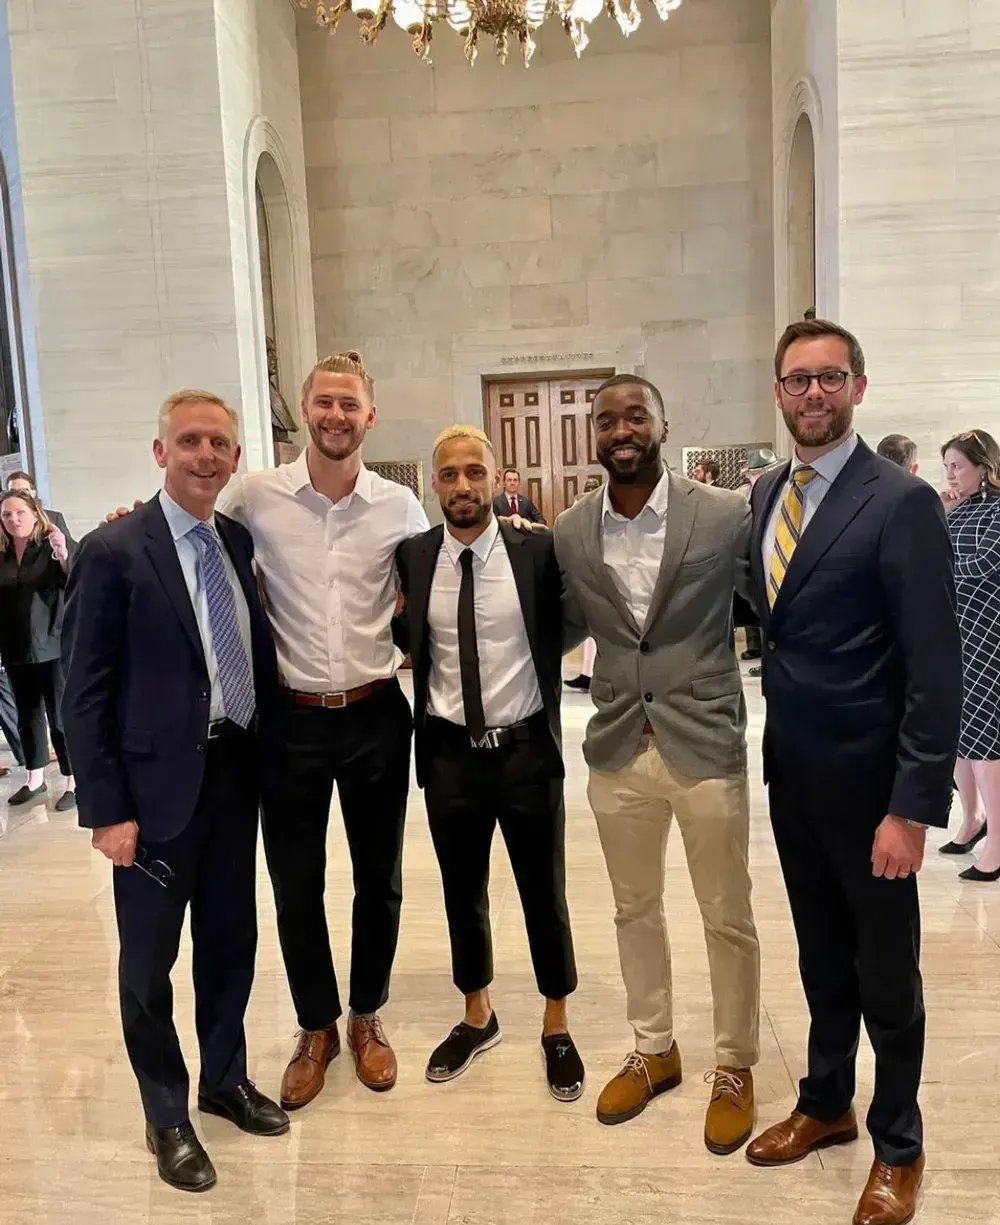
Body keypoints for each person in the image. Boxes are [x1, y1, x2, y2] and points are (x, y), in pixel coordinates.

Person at [105, 352, 429, 1109]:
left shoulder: (399, 506)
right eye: (324, 401)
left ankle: (366, 1015)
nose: (336, 414)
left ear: (370, 416)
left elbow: (429, 594)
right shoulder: (255, 496)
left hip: (378, 712)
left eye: (350, 403)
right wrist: (129, 518)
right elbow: (188, 528)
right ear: (304, 411)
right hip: (291, 722)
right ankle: (316, 1024)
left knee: (378, 879)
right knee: (296, 882)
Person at [744, 318, 961, 1225]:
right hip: (793, 784)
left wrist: (911, 807)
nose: (814, 394)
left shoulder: (899, 499)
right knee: (821, 960)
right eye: (798, 380)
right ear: (781, 392)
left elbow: (934, 664)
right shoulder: (764, 494)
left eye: (831, 378)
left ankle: (898, 1143)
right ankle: (827, 1100)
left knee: (887, 976)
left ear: (859, 389)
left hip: (874, 796)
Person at [62, 391, 288, 1194]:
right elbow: (80, 690)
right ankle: (166, 1112)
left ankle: (222, 1077)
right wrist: (106, 808)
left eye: (219, 444)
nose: (205, 455)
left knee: (231, 941)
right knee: (148, 964)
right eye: (189, 441)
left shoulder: (235, 539)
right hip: (152, 795)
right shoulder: (114, 549)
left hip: (233, 778)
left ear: (233, 459)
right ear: (161, 454)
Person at [554, 374, 761, 1156]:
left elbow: (771, 603)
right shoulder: (573, 527)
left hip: (704, 741)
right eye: (606, 419)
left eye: (635, 414)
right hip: (616, 746)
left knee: (725, 914)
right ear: (595, 436)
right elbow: (563, 621)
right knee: (633, 909)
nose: (621, 428)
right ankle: (654, 1047)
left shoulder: (724, 515)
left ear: (664, 425)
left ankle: (735, 1062)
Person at [395, 425, 586, 1100]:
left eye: (475, 472)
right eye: (449, 474)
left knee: (544, 892)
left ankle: (556, 1022)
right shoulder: (415, 556)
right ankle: (477, 1013)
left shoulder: (538, 551)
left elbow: (579, 617)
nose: (463, 486)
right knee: (461, 892)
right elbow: (401, 633)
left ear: (496, 476)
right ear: (434, 484)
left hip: (526, 751)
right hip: (450, 754)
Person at [939, 431, 1000, 880]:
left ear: (983, 467)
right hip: (953, 633)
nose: (951, 475)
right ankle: (971, 820)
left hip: (987, 634)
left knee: (985, 736)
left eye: (958, 466)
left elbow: (982, 564)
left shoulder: (997, 511)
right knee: (959, 734)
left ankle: (998, 838)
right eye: (947, 467)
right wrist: (943, 513)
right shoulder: (952, 508)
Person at [0, 490, 74, 808]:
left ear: (35, 514)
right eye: (6, 515)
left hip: (52, 645)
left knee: (59, 717)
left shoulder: (50, 546)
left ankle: (73, 781)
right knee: (27, 716)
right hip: (15, 647)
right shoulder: (1, 554)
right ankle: (35, 778)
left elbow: (72, 580)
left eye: (20, 513)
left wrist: (63, 553)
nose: (14, 519)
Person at [735, 450, 779, 671]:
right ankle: (763, 655)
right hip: (752, 559)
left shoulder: (781, 489)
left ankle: (770, 659)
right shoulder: (745, 493)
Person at [564, 474, 603, 693]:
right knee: (588, 632)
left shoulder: (605, 506)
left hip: (599, 573)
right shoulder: (580, 509)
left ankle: (592, 674)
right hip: (586, 573)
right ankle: (588, 673)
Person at [6, 470, 76, 555]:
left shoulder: (54, 517)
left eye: (23, 491)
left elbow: (72, 550)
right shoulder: (3, 520)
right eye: (13, 492)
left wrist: (62, 551)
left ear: (33, 493)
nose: (17, 496)